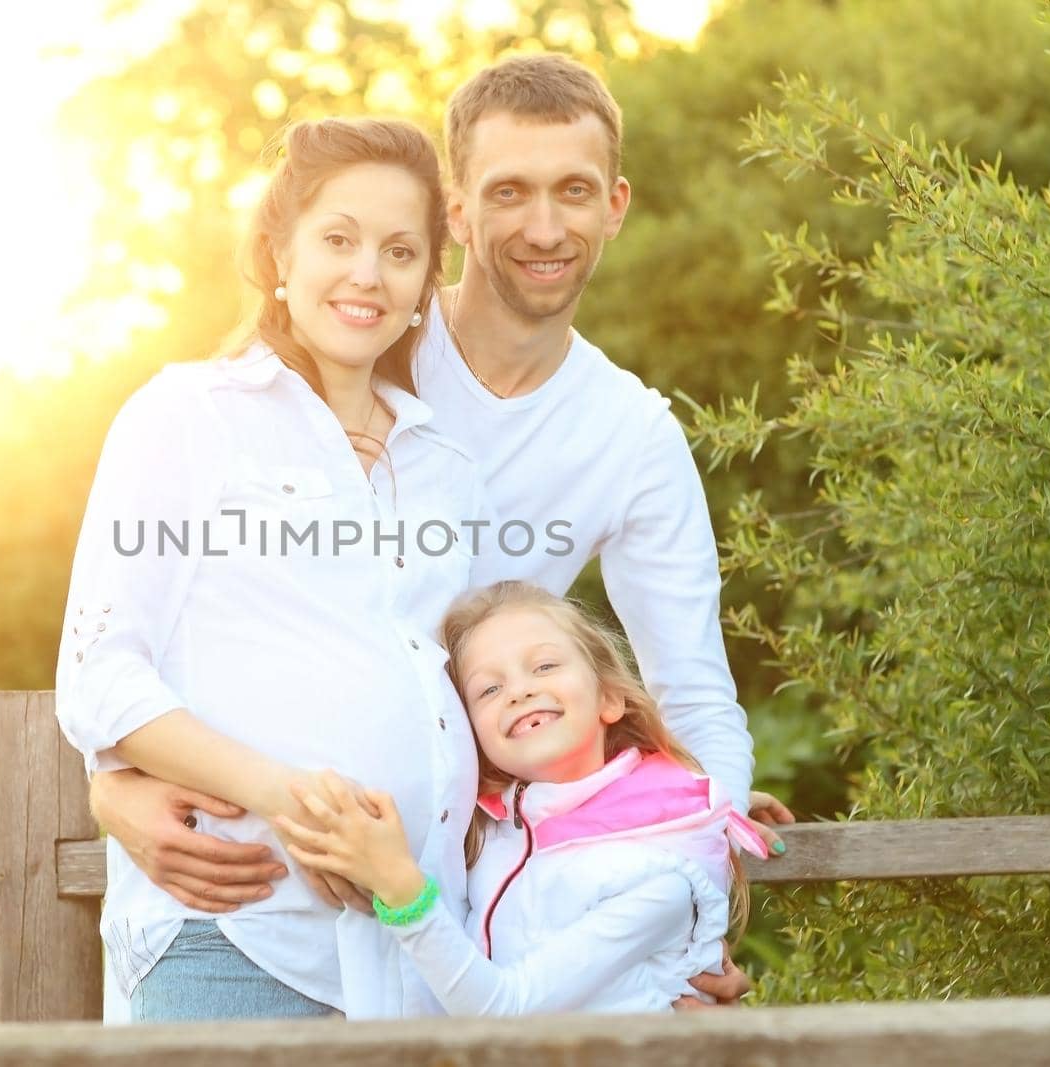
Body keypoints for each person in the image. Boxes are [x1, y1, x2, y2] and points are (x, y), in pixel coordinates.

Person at [88, 53, 787, 1006]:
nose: (545, 227)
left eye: (574, 191)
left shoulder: (584, 440)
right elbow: (135, 637)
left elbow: (692, 693)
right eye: (509, 192)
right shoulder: (338, 363)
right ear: (460, 215)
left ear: (615, 203)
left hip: (439, 932)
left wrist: (683, 906)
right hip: (257, 920)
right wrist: (112, 778)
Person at [56, 117, 487, 1021]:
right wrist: (293, 804)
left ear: (423, 287)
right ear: (278, 254)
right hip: (238, 940)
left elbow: (467, 693)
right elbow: (100, 671)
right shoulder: (187, 414)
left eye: (400, 251)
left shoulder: (445, 461)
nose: (368, 272)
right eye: (339, 239)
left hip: (421, 958)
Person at [276, 580, 769, 1016]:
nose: (519, 691)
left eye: (545, 665)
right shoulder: (495, 831)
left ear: (609, 698)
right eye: (488, 689)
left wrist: (400, 889)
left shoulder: (656, 875)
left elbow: (503, 1011)